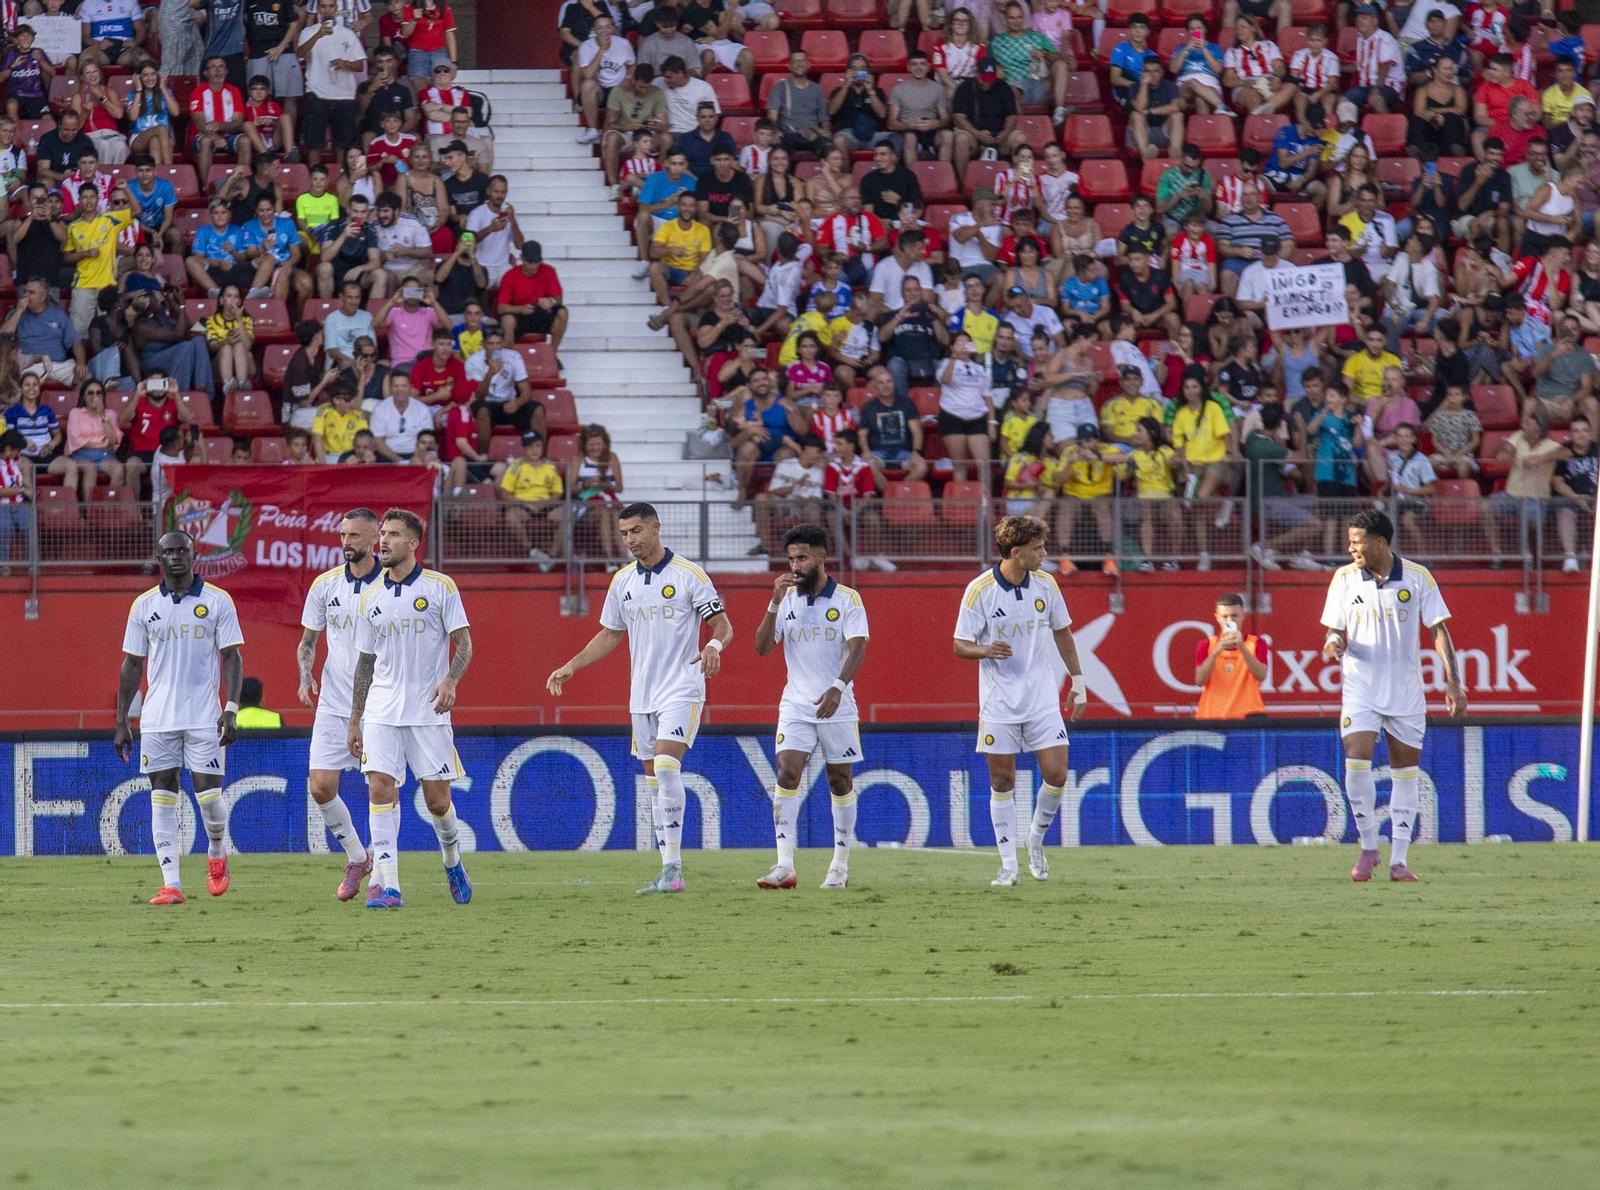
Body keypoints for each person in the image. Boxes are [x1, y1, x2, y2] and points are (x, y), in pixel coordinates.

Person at [546, 502, 734, 895]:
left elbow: (722, 624)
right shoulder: (622, 581)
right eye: (625, 533)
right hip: (641, 695)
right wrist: (571, 665)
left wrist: (714, 644)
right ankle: (670, 870)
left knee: (666, 767)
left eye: (636, 531)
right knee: (654, 782)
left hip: (682, 686)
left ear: (655, 529)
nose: (630, 539)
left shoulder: (688, 575)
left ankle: (676, 867)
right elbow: (610, 634)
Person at [1322, 509, 1466, 882]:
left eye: (1357, 541)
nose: (1350, 547)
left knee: (1405, 774)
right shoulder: (1343, 578)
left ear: (1380, 543)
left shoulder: (1417, 578)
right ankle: (1368, 845)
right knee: (1357, 758)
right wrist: (1334, 642)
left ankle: (1398, 860)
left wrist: (1453, 682)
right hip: (1361, 690)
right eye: (1350, 540)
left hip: (1405, 694)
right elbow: (1334, 630)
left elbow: (1439, 630)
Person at [343, 509, 472, 908]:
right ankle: (390, 887)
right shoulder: (371, 596)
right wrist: (355, 718)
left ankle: (452, 860)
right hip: (381, 710)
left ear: (414, 544)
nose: (383, 541)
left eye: (394, 535)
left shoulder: (440, 587)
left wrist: (450, 679)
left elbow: (464, 643)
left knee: (437, 802)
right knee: (380, 789)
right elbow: (365, 662)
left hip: (427, 712)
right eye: (382, 533)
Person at [953, 514, 1087, 886]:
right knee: (1002, 780)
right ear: (1016, 552)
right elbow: (959, 644)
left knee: (1057, 775)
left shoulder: (1046, 584)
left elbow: (1063, 632)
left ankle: (1035, 839)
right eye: (1038, 548)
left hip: (1042, 697)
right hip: (999, 702)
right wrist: (984, 650)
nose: (1044, 554)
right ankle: (1008, 865)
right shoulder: (980, 590)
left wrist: (1078, 681)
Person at [113, 532, 244, 905]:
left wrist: (230, 708)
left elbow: (232, 656)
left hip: (205, 717)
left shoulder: (218, 601)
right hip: (157, 720)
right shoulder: (143, 606)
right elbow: (132, 664)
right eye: (168, 551)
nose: (175, 557)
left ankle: (216, 852)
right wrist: (122, 721)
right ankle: (171, 884)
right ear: (158, 556)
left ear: (194, 555)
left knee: (209, 799)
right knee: (162, 797)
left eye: (182, 551)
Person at [751, 523, 869, 891]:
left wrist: (837, 687)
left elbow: (858, 647)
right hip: (796, 705)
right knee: (787, 774)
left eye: (802, 558)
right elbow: (762, 647)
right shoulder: (786, 600)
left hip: (837, 705)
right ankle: (785, 865)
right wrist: (772, 602)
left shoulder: (848, 599)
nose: (795, 566)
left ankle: (839, 865)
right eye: (790, 559)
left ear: (821, 557)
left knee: (840, 780)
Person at [296, 508, 380, 896]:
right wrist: (304, 673)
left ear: (375, 538)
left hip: (381, 702)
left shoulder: (393, 583)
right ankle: (358, 856)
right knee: (320, 787)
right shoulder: (325, 585)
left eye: (355, 536)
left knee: (382, 787)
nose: (347, 543)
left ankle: (383, 876)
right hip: (332, 702)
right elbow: (308, 640)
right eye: (343, 536)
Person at [298, 0, 367, 167]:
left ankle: (341, 179)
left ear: (336, 9)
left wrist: (345, 64)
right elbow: (300, 53)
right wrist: (317, 35)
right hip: (317, 93)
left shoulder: (348, 34)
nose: (327, 10)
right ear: (319, 9)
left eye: (331, 6)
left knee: (341, 145)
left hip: (344, 95)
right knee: (314, 145)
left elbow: (360, 65)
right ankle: (314, 181)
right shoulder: (308, 31)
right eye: (323, 6)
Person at [1194, 593, 1269, 720]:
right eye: (1225, 616)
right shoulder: (1206, 645)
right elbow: (1199, 680)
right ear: (1217, 617)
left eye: (1234, 616)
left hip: (1248, 715)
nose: (1230, 621)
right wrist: (1218, 649)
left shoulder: (1256, 643)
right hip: (1211, 716)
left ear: (1242, 615)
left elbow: (1261, 675)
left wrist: (1242, 647)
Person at [1552, 413, 1596, 573]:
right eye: (1576, 431)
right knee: (1564, 511)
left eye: (1584, 430)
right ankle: (1570, 558)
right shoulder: (1563, 452)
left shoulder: (1597, 450)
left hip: (1596, 497)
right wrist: (1577, 498)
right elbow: (1557, 484)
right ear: (1570, 434)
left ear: (1590, 432)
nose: (1581, 434)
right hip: (1570, 498)